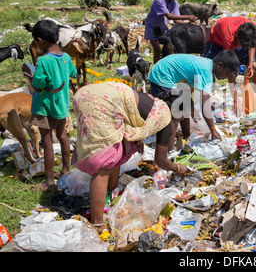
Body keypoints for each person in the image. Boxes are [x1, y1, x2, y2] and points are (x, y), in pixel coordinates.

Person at [71, 81, 189, 233]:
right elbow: (161, 160)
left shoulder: (155, 103)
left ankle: (110, 191)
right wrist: (178, 168)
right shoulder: (165, 118)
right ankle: (97, 223)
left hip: (88, 93)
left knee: (116, 150)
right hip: (101, 101)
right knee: (104, 164)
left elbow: (129, 118)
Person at [148, 50, 240, 150]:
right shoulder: (206, 71)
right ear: (220, 65)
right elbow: (204, 105)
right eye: (227, 73)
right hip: (162, 76)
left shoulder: (206, 65)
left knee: (185, 106)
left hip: (170, 74)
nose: (226, 77)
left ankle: (186, 135)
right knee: (173, 116)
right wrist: (212, 129)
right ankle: (168, 152)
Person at [29, 19, 77, 192]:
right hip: (62, 105)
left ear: (40, 41)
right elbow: (73, 72)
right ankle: (65, 169)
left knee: (47, 142)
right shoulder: (65, 57)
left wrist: (30, 75)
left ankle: (49, 181)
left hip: (46, 107)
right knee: (63, 136)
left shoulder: (42, 61)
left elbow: (38, 84)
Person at [203, 16, 256, 115]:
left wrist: (250, 64)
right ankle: (206, 102)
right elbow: (230, 69)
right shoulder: (229, 37)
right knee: (207, 69)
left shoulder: (251, 29)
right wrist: (236, 101)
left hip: (238, 38)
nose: (246, 48)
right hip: (216, 41)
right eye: (244, 46)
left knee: (255, 69)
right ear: (238, 39)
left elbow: (252, 45)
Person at [144, 0, 197, 64]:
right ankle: (157, 70)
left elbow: (176, 20)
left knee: (169, 47)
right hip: (152, 27)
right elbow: (169, 16)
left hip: (163, 27)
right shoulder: (159, 0)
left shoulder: (174, 2)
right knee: (157, 49)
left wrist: (188, 24)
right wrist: (187, 16)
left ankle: (166, 66)